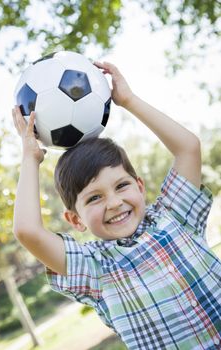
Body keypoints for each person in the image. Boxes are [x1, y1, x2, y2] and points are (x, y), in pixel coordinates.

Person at [12, 62, 221, 349]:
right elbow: (27, 230)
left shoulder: (174, 216)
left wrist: (129, 101)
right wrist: (30, 158)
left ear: (139, 186)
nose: (114, 203)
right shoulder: (94, 268)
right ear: (75, 220)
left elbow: (188, 147)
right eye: (94, 198)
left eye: (121, 185)